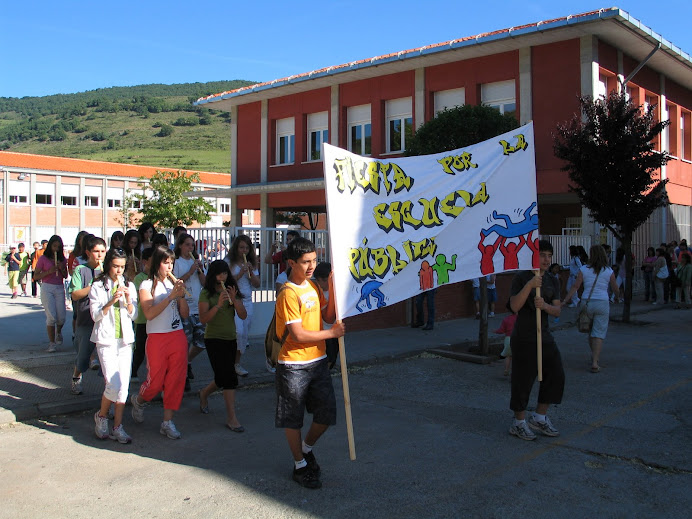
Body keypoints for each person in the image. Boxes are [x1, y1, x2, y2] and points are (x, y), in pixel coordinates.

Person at [274, 237, 345, 489]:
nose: (311, 266)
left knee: (326, 414)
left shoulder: (314, 287)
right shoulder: (288, 292)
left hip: (318, 361)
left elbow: (328, 316)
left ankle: (306, 449)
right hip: (293, 364)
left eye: (314, 260)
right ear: (292, 262)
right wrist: (331, 335)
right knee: (292, 419)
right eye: (306, 262)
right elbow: (298, 334)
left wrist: (333, 287)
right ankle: (299, 465)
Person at [131, 246, 189, 439]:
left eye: (171, 262)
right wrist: (170, 297)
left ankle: (167, 421)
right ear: (157, 263)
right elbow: (148, 313)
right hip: (157, 337)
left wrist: (180, 296)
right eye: (166, 262)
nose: (169, 266)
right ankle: (139, 400)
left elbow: (185, 314)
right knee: (155, 382)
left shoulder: (173, 284)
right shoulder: (146, 285)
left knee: (175, 380)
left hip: (177, 335)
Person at [507, 239, 563, 441]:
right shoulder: (521, 277)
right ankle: (519, 422)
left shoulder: (552, 280)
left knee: (556, 374)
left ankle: (539, 417)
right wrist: (531, 284)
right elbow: (514, 306)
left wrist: (545, 306)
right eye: (542, 255)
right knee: (523, 379)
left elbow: (557, 310)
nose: (546, 259)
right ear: (533, 256)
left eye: (549, 255)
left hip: (544, 334)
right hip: (524, 336)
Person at [89, 248, 138, 443]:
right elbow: (95, 315)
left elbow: (134, 315)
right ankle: (102, 416)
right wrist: (111, 300)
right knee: (113, 383)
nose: (119, 271)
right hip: (106, 340)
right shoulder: (98, 286)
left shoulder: (129, 285)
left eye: (122, 267)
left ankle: (118, 426)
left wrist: (127, 300)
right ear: (109, 264)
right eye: (116, 266)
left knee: (123, 387)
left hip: (125, 340)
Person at [197, 260, 247, 431]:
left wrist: (235, 300)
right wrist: (218, 304)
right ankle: (232, 418)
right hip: (213, 339)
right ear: (213, 275)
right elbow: (203, 319)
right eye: (219, 274)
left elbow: (243, 315)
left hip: (230, 338)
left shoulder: (232, 289)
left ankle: (204, 393)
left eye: (225, 273)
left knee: (222, 377)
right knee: (229, 378)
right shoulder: (206, 293)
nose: (223, 277)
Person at [562, 245, 619, 373]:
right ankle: (595, 361)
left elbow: (575, 286)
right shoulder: (608, 271)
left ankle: (594, 355)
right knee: (599, 332)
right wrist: (617, 297)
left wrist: (565, 300)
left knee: (589, 330)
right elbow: (615, 288)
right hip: (603, 303)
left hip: (586, 302)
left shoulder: (584, 269)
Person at [68, 236, 107, 395]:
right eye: (96, 251)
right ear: (88, 252)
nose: (100, 255)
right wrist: (93, 286)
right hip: (86, 318)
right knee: (83, 356)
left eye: (103, 251)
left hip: (105, 319)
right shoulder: (80, 270)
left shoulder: (108, 268)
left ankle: (108, 391)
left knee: (106, 357)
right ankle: (76, 377)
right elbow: (75, 294)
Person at [173, 233, 206, 391]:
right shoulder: (177, 262)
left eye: (192, 245)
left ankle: (187, 362)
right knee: (184, 342)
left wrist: (199, 270)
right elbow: (176, 282)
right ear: (180, 246)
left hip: (197, 308)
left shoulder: (196, 262)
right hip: (184, 307)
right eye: (187, 245)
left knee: (201, 341)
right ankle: (183, 376)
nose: (190, 248)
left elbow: (205, 283)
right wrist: (191, 271)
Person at [225, 235, 261, 376]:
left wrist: (250, 272)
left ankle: (236, 363)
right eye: (241, 247)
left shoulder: (252, 262)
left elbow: (257, 284)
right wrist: (240, 273)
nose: (244, 251)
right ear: (236, 248)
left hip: (247, 301)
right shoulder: (229, 262)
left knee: (244, 335)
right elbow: (227, 282)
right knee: (237, 333)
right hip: (233, 301)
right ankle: (229, 362)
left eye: (246, 248)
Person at [33, 235, 68, 352]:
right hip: (47, 287)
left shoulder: (62, 259)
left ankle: (58, 332)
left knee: (62, 317)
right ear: (50, 246)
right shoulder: (43, 258)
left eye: (58, 247)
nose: (56, 249)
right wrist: (48, 271)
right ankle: (51, 343)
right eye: (54, 246)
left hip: (59, 287)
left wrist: (62, 268)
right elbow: (35, 276)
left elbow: (66, 275)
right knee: (51, 316)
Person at [131, 247, 154, 382]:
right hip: (142, 319)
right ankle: (133, 371)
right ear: (145, 262)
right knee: (139, 347)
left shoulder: (159, 276)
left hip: (155, 318)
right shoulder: (139, 278)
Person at [313, 262, 339, 369]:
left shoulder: (336, 290)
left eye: (326, 280)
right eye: (321, 281)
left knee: (333, 359)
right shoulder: (315, 293)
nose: (324, 284)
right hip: (322, 331)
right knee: (326, 359)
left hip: (334, 331)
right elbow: (328, 318)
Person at [495, 311, 517, 377]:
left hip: (508, 339)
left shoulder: (506, 319)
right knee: (516, 357)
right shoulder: (521, 319)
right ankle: (514, 373)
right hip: (517, 338)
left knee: (508, 356)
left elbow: (501, 330)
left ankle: (506, 370)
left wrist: (495, 331)